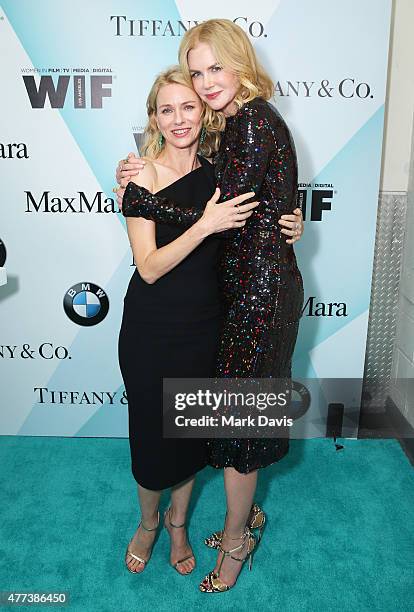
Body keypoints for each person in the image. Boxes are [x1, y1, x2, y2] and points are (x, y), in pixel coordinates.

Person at [116, 19, 305, 593]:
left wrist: (281, 222)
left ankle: (221, 531)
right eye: (195, 77)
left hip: (237, 308)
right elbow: (161, 254)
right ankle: (163, 526)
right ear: (155, 117)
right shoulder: (161, 166)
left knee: (226, 428)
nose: (200, 90)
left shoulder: (232, 145)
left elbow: (236, 208)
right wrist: (138, 192)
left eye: (210, 72)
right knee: (179, 433)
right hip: (175, 320)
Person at [118, 66, 259, 577]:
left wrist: (294, 224)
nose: (179, 119)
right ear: (154, 118)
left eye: (188, 107)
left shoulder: (223, 172)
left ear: (203, 112)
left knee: (187, 436)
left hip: (207, 326)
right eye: (166, 109)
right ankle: (150, 522)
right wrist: (205, 225)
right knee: (152, 438)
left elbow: (261, 220)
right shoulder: (140, 176)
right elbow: (149, 267)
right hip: (152, 330)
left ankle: (178, 524)